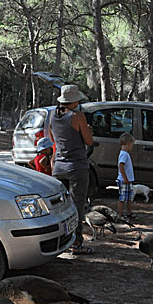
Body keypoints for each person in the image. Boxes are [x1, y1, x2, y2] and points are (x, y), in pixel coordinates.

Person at [50, 84, 93, 255]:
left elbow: (52, 137)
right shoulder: (78, 116)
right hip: (77, 166)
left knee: (59, 207)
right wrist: (89, 131)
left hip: (59, 166)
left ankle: (59, 240)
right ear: (73, 101)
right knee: (77, 205)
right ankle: (76, 243)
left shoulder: (53, 115)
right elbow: (88, 141)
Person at [116, 132, 135, 220]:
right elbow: (121, 166)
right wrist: (125, 178)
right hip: (124, 180)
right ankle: (119, 214)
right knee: (122, 197)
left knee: (129, 197)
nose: (132, 147)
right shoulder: (124, 154)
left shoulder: (126, 154)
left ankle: (129, 212)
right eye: (132, 145)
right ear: (128, 144)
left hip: (128, 180)